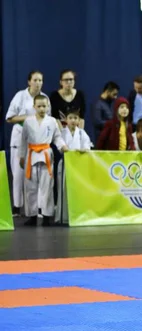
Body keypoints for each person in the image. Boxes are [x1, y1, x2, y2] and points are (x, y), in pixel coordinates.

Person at [5, 71, 51, 215]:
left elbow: (47, 120)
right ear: (29, 82)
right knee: (18, 174)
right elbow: (9, 118)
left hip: (38, 142)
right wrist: (28, 117)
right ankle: (17, 207)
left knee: (36, 176)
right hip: (19, 139)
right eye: (35, 80)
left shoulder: (45, 98)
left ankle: (37, 208)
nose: (38, 83)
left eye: (40, 80)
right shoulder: (20, 96)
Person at [19, 95, 68, 226]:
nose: (42, 108)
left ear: (48, 107)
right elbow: (23, 140)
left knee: (47, 186)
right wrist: (22, 156)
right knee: (30, 187)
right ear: (34, 107)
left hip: (46, 154)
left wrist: (62, 146)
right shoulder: (28, 121)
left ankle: (46, 216)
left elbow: (57, 137)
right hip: (31, 154)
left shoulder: (52, 121)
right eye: (39, 106)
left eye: (44, 106)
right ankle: (32, 216)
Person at [55, 110, 92, 225]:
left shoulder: (81, 133)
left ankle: (77, 216)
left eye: (76, 118)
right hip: (66, 163)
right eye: (70, 118)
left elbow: (87, 144)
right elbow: (58, 142)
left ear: (79, 120)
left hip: (78, 165)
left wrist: (85, 149)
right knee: (64, 190)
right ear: (66, 120)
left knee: (78, 190)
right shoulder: (62, 132)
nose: (73, 120)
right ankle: (63, 217)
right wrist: (63, 147)